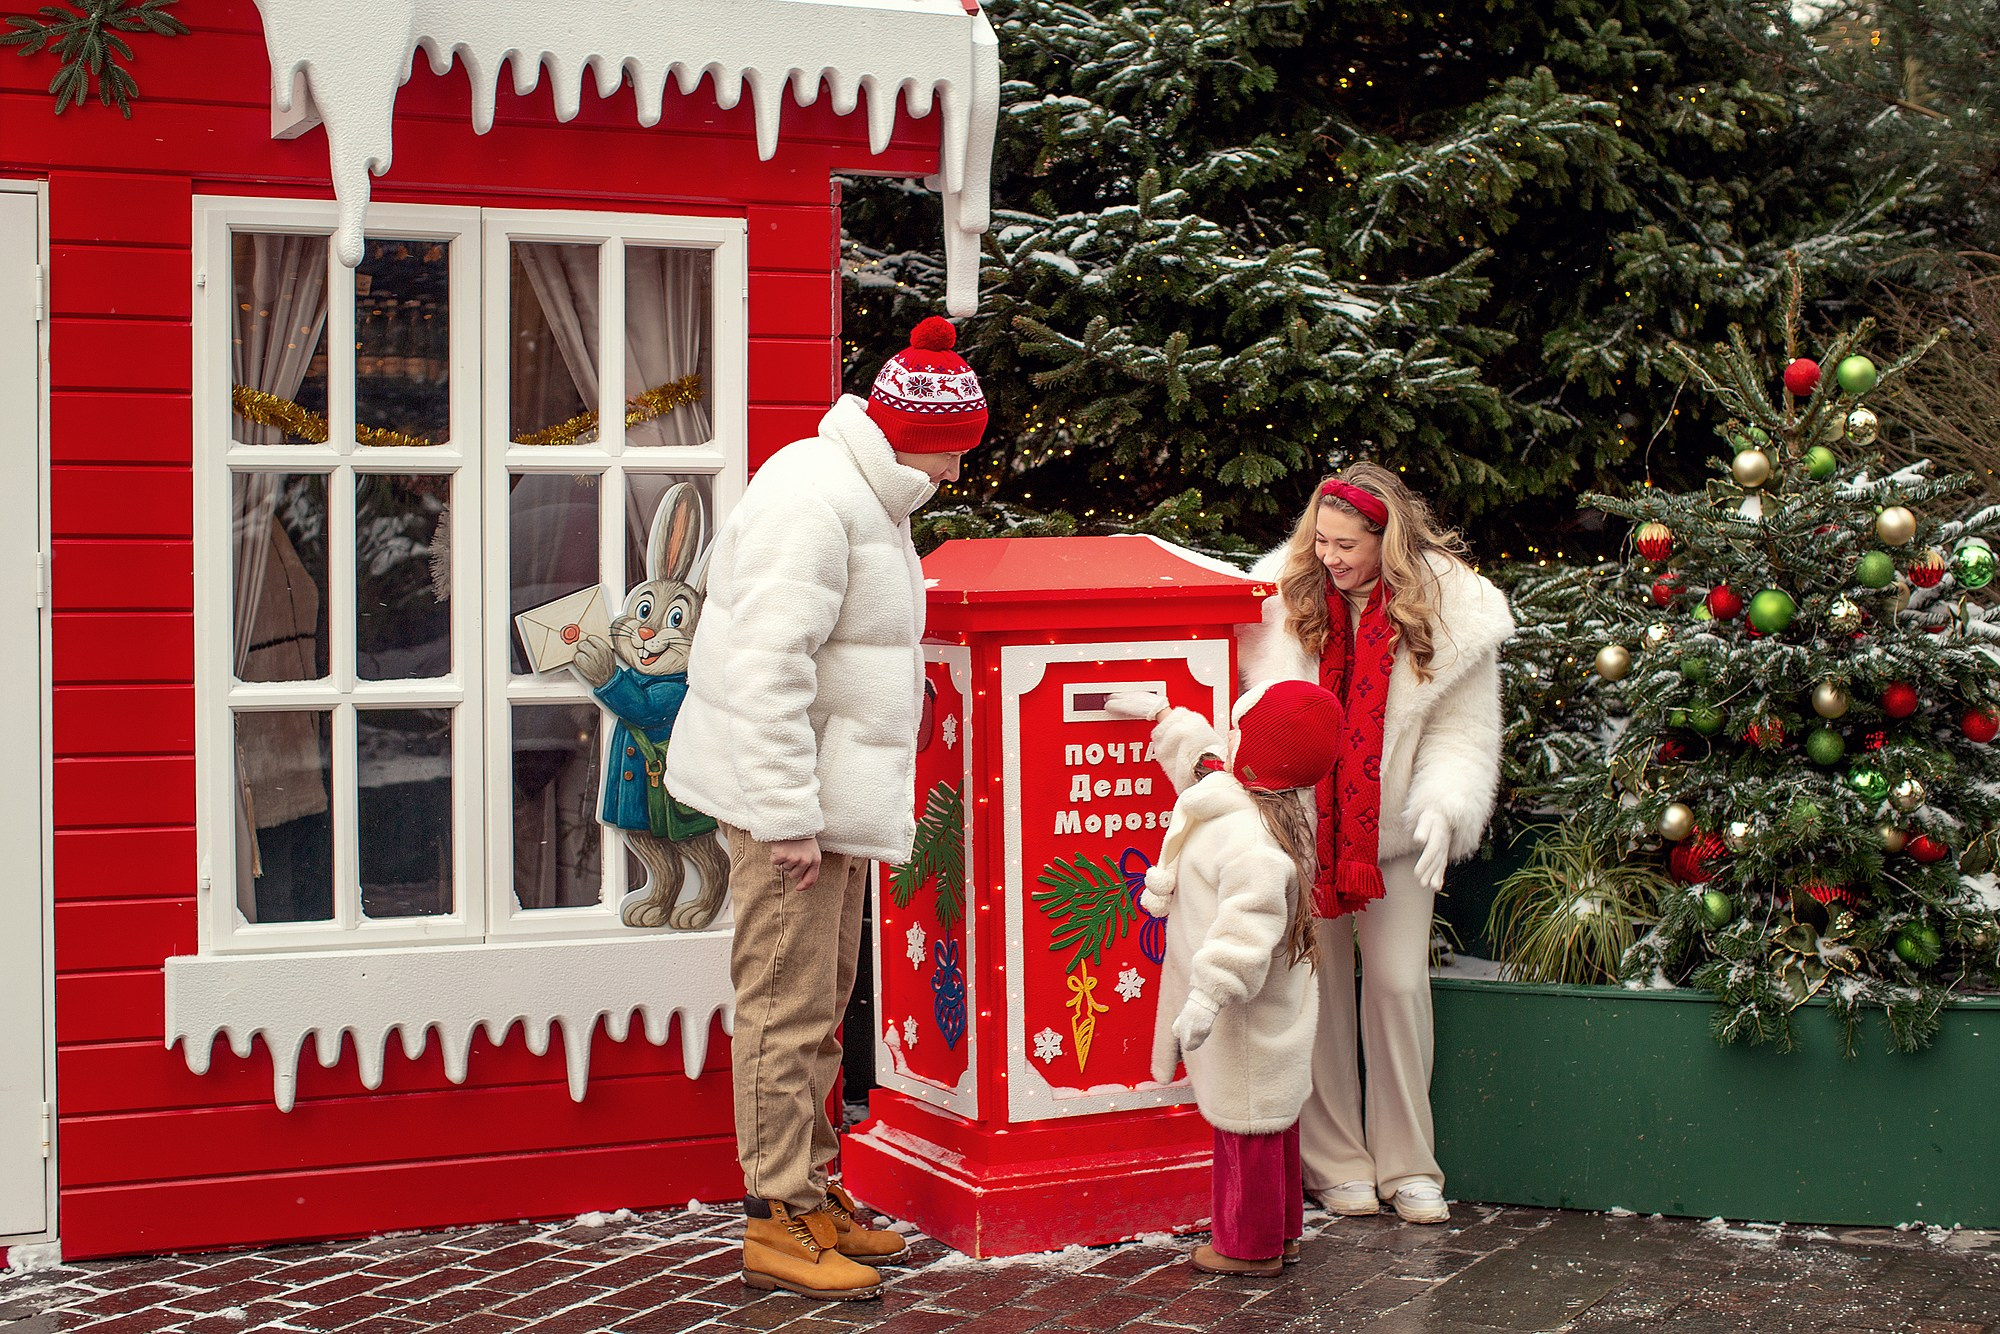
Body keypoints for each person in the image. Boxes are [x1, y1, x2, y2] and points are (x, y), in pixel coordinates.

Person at [665, 316, 986, 1300]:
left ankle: (811, 1191)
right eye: (958, 450)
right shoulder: (814, 496)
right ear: (915, 431)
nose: (960, 473)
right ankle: (774, 1216)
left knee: (818, 1001)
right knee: (782, 1003)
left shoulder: (866, 491)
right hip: (786, 810)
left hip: (822, 799)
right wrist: (785, 813)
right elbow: (767, 668)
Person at [1237, 462, 1514, 1225]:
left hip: (1396, 840)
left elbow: (1463, 733)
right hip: (1304, 830)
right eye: (1321, 540)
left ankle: (1409, 1163)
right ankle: (1335, 1163)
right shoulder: (1283, 595)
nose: (1329, 556)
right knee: (1318, 990)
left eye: (1347, 544)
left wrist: (1447, 805)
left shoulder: (1454, 607)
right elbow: (1251, 708)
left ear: (1387, 540)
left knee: (1395, 987)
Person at [1111, 679, 1345, 1275]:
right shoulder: (1267, 802)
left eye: (1241, 731)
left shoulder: (1252, 840)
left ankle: (1247, 1246)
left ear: (1259, 753)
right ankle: (1283, 1230)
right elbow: (1204, 760)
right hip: (1267, 1005)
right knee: (1272, 1120)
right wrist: (1164, 715)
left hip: (1242, 1007)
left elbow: (1245, 932)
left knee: (1247, 1125)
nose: (1229, 739)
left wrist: (1206, 998)